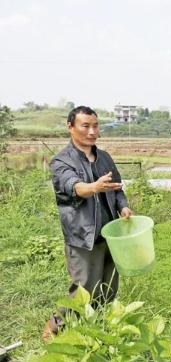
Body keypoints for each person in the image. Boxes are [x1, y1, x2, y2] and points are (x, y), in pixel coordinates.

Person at [44, 106, 133, 340]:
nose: (92, 131)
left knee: (108, 287)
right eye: (85, 126)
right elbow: (75, 187)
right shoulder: (61, 161)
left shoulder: (104, 158)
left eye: (95, 125)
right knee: (83, 289)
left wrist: (122, 206)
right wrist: (94, 187)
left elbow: (117, 188)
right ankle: (55, 327)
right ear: (70, 127)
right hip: (83, 236)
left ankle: (96, 330)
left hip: (110, 234)